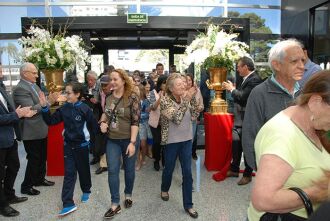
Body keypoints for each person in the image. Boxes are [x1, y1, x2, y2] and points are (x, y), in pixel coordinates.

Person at [248, 70, 330, 221]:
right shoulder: (282, 135)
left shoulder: (314, 125)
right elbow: (262, 200)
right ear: (315, 102)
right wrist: (320, 191)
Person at [242, 39, 305, 171]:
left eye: (302, 60)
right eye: (294, 61)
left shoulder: (307, 93)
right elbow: (249, 135)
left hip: (303, 170)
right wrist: (262, 172)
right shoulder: (259, 94)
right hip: (272, 173)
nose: (302, 66)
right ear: (277, 65)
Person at [39, 82, 99, 216]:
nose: (66, 95)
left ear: (77, 94)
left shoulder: (85, 109)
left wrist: (93, 145)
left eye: (69, 93)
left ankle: (86, 190)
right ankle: (68, 203)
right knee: (69, 174)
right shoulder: (64, 109)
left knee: (83, 171)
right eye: (65, 92)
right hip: (68, 146)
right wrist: (44, 107)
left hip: (82, 146)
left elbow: (94, 127)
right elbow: (50, 121)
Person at [99, 69, 140, 219]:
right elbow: (106, 113)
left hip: (129, 140)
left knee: (129, 170)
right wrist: (103, 122)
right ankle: (115, 204)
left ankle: (128, 194)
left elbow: (136, 121)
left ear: (123, 81)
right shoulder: (109, 97)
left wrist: (132, 142)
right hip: (112, 140)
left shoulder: (132, 98)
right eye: (111, 79)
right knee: (112, 170)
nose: (112, 82)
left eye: (115, 79)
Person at [160, 73, 199, 219]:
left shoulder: (186, 98)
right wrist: (187, 99)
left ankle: (189, 205)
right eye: (179, 84)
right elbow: (176, 118)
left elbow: (195, 113)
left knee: (187, 173)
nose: (183, 85)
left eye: (183, 83)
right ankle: (164, 188)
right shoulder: (165, 101)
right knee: (169, 169)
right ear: (171, 88)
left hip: (187, 140)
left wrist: (192, 97)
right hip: (171, 142)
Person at [13, 62, 55, 196]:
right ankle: (27, 186)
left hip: (40, 128)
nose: (37, 75)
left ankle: (39, 179)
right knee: (34, 158)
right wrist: (48, 102)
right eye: (34, 73)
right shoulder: (21, 88)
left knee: (42, 157)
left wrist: (46, 101)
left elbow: (40, 103)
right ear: (25, 73)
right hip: (31, 130)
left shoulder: (33, 85)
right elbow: (29, 109)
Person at [0, 64, 37, 217]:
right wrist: (17, 114)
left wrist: (17, 113)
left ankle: (9, 194)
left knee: (14, 167)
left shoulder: (1, 87)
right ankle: (3, 205)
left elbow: (9, 110)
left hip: (9, 137)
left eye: (1, 69)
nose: (1, 72)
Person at [222, 56, 262, 185]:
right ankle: (234, 169)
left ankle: (248, 174)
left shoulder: (255, 79)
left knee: (247, 147)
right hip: (239, 118)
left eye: (239, 66)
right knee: (236, 145)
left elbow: (243, 97)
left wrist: (231, 89)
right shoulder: (244, 78)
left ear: (246, 67)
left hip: (248, 119)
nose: (237, 69)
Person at [149, 75, 168, 171]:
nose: (166, 85)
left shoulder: (170, 93)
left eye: (167, 83)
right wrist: (160, 98)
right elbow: (153, 107)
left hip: (166, 123)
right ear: (160, 83)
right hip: (155, 123)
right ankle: (156, 160)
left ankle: (164, 161)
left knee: (165, 142)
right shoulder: (153, 92)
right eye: (164, 83)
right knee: (157, 142)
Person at [95, 74, 113, 175]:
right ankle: (103, 165)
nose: (104, 87)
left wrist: (105, 122)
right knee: (102, 143)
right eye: (102, 85)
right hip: (104, 122)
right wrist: (102, 121)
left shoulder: (114, 95)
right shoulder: (101, 93)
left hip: (113, 123)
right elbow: (103, 109)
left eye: (106, 85)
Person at [185, 73, 204, 160]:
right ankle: (185, 155)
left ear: (192, 81)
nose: (188, 82)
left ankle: (192, 153)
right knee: (185, 139)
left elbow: (202, 105)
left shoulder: (197, 91)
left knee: (193, 138)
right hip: (184, 120)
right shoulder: (182, 92)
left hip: (194, 118)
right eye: (186, 80)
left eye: (190, 80)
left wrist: (199, 108)